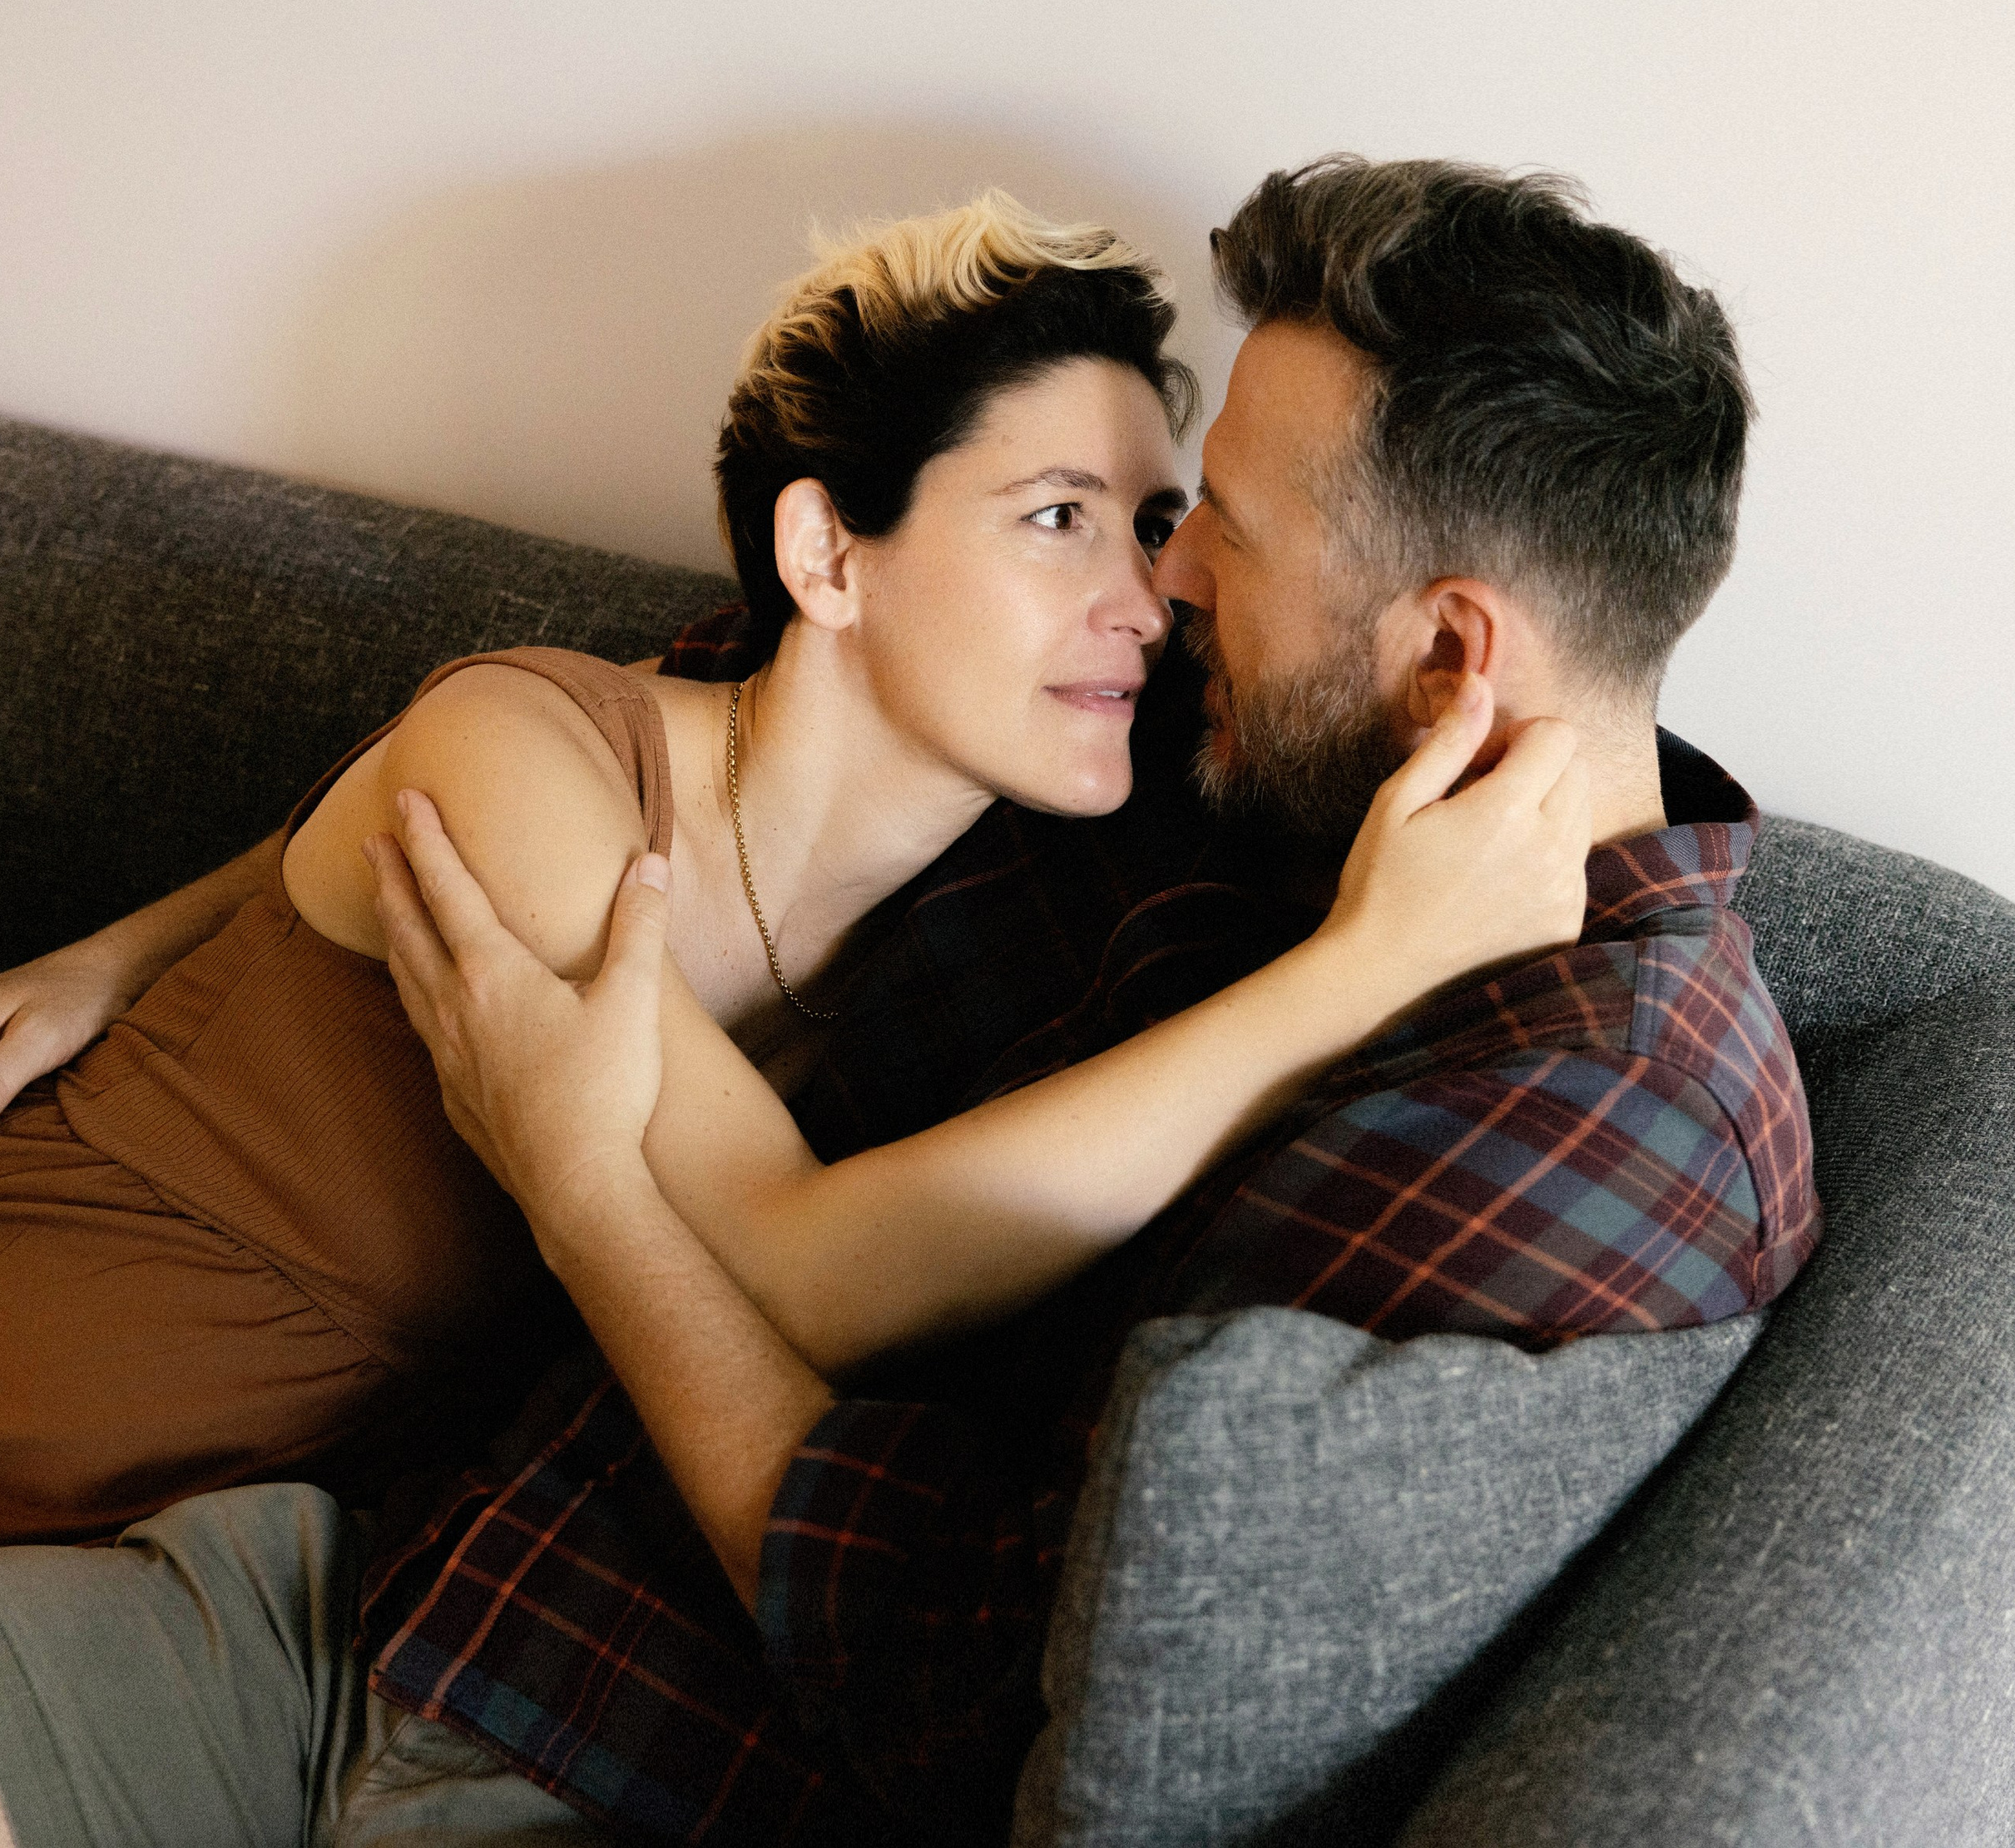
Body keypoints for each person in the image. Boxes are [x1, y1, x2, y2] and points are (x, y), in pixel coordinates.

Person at [0, 158, 1818, 1847]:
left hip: (573, 1752)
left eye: (1209, 533)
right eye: (1082, 524)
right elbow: (570, 729)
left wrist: (580, 1190)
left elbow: (954, 1680)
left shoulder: (1567, 1122)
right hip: (374, 1587)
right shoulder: (1237, 768)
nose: (1156, 591)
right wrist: (126, 942)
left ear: (1445, 649)